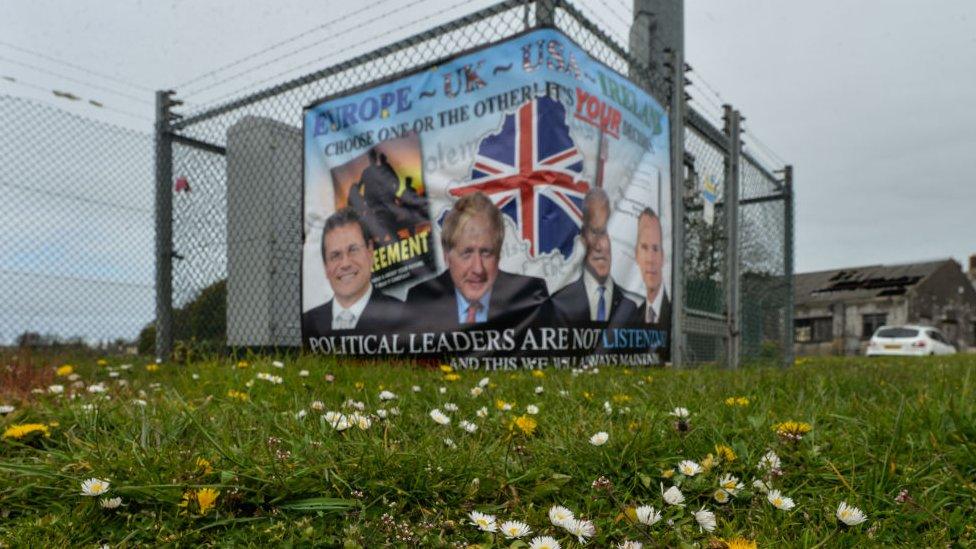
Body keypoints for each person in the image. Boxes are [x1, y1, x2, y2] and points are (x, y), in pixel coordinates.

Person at [405, 192, 549, 330]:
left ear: (498, 255)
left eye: (486, 253)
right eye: (467, 253)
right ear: (447, 256)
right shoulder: (421, 300)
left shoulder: (530, 294)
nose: (478, 269)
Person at [302, 208, 402, 339]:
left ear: (370, 252)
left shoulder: (401, 316)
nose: (345, 264)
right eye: (335, 255)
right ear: (325, 266)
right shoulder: (308, 325)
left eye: (353, 250)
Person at [550, 188, 637, 326]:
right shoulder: (561, 303)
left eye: (605, 233)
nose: (599, 246)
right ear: (582, 238)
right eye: (595, 233)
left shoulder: (630, 309)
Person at [632, 207, 671, 328]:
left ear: (663, 257)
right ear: (636, 255)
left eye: (655, 248)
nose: (650, 259)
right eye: (644, 247)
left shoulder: (676, 316)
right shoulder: (634, 318)